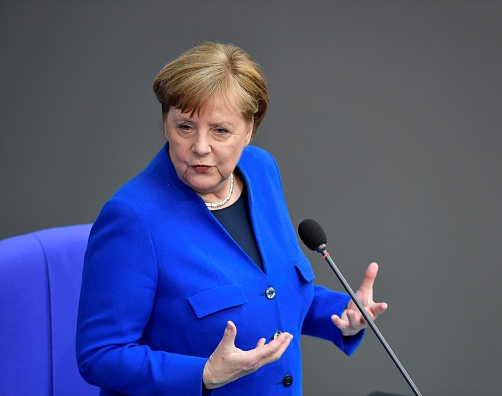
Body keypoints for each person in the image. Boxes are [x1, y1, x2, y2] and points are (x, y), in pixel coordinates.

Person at [76, 41, 388, 395]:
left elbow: (270, 290)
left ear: (249, 130)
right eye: (185, 127)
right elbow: (99, 355)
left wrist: (343, 315)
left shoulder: (261, 170)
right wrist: (203, 374)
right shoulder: (132, 218)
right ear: (165, 123)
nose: (200, 147)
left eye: (220, 131)